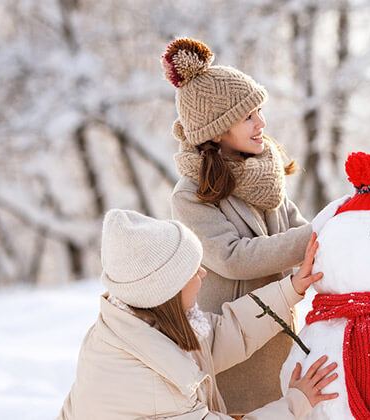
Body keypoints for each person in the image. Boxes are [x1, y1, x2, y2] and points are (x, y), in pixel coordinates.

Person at [59, 209, 338, 419]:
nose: (203, 272)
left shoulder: (142, 322)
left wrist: (290, 288)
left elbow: (224, 334)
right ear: (167, 290)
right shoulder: (150, 382)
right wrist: (296, 402)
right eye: (193, 270)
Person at [162, 37, 315, 412]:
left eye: (259, 111)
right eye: (248, 115)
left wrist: (341, 228)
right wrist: (319, 235)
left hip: (281, 335)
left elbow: (301, 229)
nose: (261, 123)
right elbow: (234, 258)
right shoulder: (191, 195)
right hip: (234, 346)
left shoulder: (265, 176)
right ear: (216, 129)